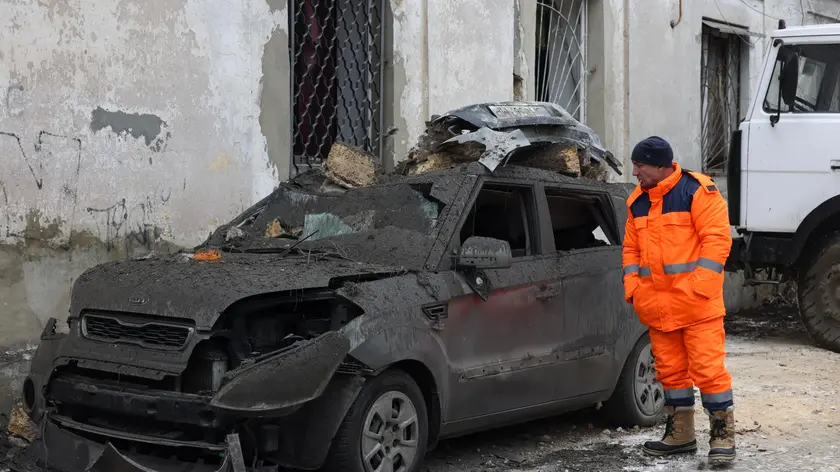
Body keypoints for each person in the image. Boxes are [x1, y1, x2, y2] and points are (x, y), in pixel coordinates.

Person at [621, 136, 735, 463]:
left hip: (697, 306)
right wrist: (633, 288)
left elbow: (717, 240)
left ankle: (722, 436)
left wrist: (699, 287)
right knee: (670, 373)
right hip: (657, 307)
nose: (634, 171)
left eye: (639, 165)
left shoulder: (697, 191)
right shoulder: (637, 202)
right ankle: (680, 434)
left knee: (708, 371)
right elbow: (630, 250)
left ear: (660, 165)